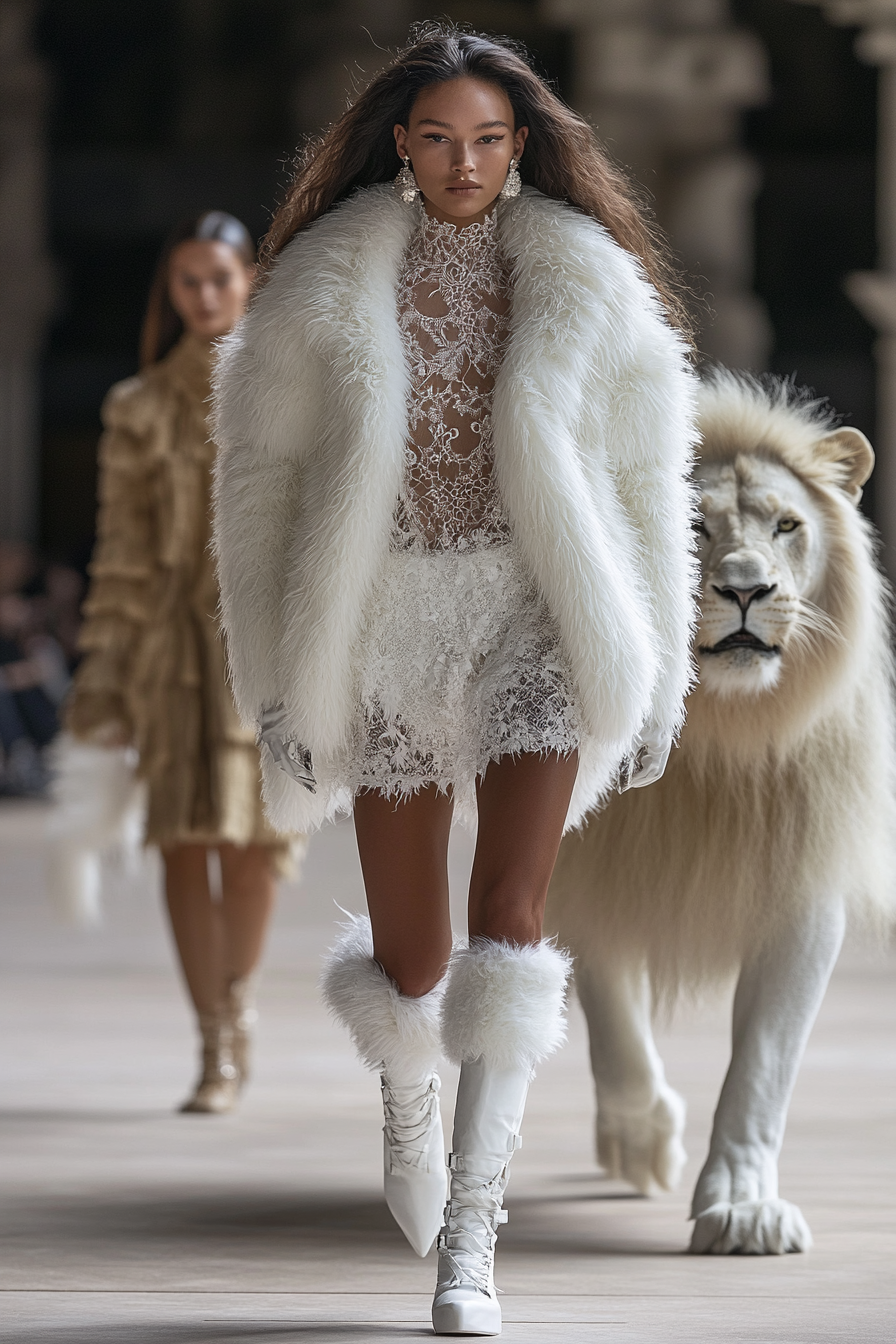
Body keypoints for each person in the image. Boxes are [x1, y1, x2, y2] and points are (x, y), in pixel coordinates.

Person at [212, 27, 697, 1336]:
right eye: (438, 138)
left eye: (488, 139)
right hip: (375, 625)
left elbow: (651, 488)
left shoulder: (592, 283)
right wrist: (273, 682)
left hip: (536, 613)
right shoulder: (316, 285)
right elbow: (256, 502)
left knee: (509, 912)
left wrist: (655, 680)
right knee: (416, 951)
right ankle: (409, 1105)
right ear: (399, 143)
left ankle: (472, 1245)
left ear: (523, 145)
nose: (463, 161)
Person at [64, 212, 298, 1115]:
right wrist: (105, 676)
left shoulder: (289, 393)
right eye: (187, 281)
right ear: (169, 291)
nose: (204, 296)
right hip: (169, 655)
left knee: (253, 847)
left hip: (264, 649)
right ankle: (212, 1041)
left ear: (249, 283)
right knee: (181, 845)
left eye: (219, 279)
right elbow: (120, 552)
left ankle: (235, 1010)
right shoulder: (137, 408)